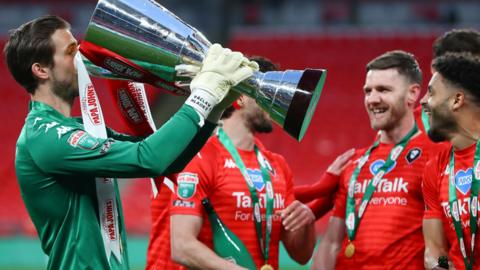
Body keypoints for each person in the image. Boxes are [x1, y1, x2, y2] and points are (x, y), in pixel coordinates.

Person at [4, 15, 258, 269]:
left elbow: (168, 159)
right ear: (41, 70)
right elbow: (149, 158)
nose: (81, 59)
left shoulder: (79, 128)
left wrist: (216, 108)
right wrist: (203, 95)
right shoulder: (44, 135)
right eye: (71, 52)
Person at [167, 57, 316, 269]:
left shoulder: (278, 166)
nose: (276, 103)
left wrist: (307, 223)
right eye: (269, 94)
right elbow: (181, 246)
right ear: (242, 96)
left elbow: (300, 256)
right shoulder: (201, 158)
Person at [312, 50, 436, 269]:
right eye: (368, 91)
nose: (372, 99)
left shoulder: (434, 155)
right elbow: (331, 243)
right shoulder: (355, 163)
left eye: (383, 90)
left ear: (412, 94)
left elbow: (442, 246)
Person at [421, 53, 480, 270]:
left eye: (431, 92)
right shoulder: (435, 168)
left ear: (457, 100)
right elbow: (435, 250)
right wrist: (441, 266)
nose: (423, 101)